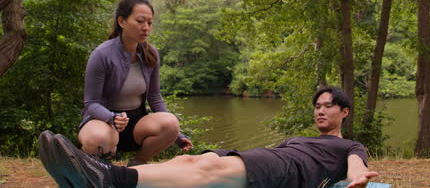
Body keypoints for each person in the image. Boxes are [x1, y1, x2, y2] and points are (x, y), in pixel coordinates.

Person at [39, 86, 379, 188]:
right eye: (317, 105)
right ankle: (105, 175)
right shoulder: (297, 139)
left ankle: (106, 177)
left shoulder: (349, 145)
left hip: (289, 171)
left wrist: (358, 180)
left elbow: (354, 166)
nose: (321, 111)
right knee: (192, 160)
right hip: (270, 157)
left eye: (329, 107)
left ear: (344, 113)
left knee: (208, 172)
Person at [78, 0, 193, 167]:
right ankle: (98, 171)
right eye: (140, 21)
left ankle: (137, 164)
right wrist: (112, 117)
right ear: (122, 22)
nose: (145, 28)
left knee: (171, 123)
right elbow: (91, 103)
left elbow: (154, 97)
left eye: (149, 23)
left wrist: (177, 135)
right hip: (103, 121)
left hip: (136, 125)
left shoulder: (151, 54)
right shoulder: (101, 55)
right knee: (98, 138)